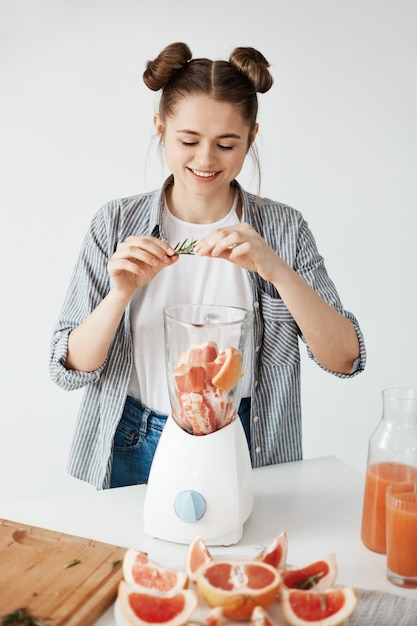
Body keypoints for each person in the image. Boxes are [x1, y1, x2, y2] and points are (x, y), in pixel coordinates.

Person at [50, 42, 366, 490]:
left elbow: (346, 358)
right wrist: (120, 294)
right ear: (160, 129)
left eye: (226, 143)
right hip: (135, 439)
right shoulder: (115, 222)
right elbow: (69, 368)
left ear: (252, 137)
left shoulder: (283, 228)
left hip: (248, 438)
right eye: (188, 140)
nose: (205, 159)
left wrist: (276, 269)